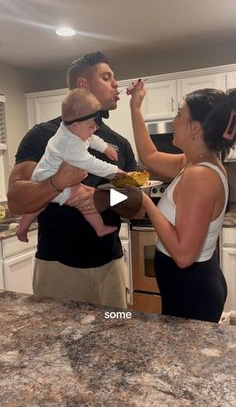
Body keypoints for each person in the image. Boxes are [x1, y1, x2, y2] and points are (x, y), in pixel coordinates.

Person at [7, 52, 137, 308]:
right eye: (107, 77)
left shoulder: (118, 144)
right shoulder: (42, 136)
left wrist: (100, 198)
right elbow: (15, 201)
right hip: (57, 268)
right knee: (57, 343)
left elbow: (136, 203)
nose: (116, 85)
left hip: (109, 266)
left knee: (116, 333)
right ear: (82, 84)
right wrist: (56, 182)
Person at [128, 80, 236, 322]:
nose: (174, 121)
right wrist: (135, 108)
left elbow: (184, 256)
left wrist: (146, 202)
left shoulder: (200, 175)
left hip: (192, 292)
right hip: (185, 286)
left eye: (179, 114)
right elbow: (150, 156)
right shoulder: (193, 162)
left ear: (195, 128)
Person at [16, 88, 125, 242]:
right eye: (91, 127)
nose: (95, 129)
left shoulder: (71, 129)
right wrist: (114, 171)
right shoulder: (69, 144)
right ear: (75, 125)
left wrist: (105, 148)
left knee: (41, 203)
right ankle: (99, 228)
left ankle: (22, 227)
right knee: (85, 199)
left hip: (43, 175)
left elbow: (91, 139)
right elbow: (90, 163)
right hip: (54, 180)